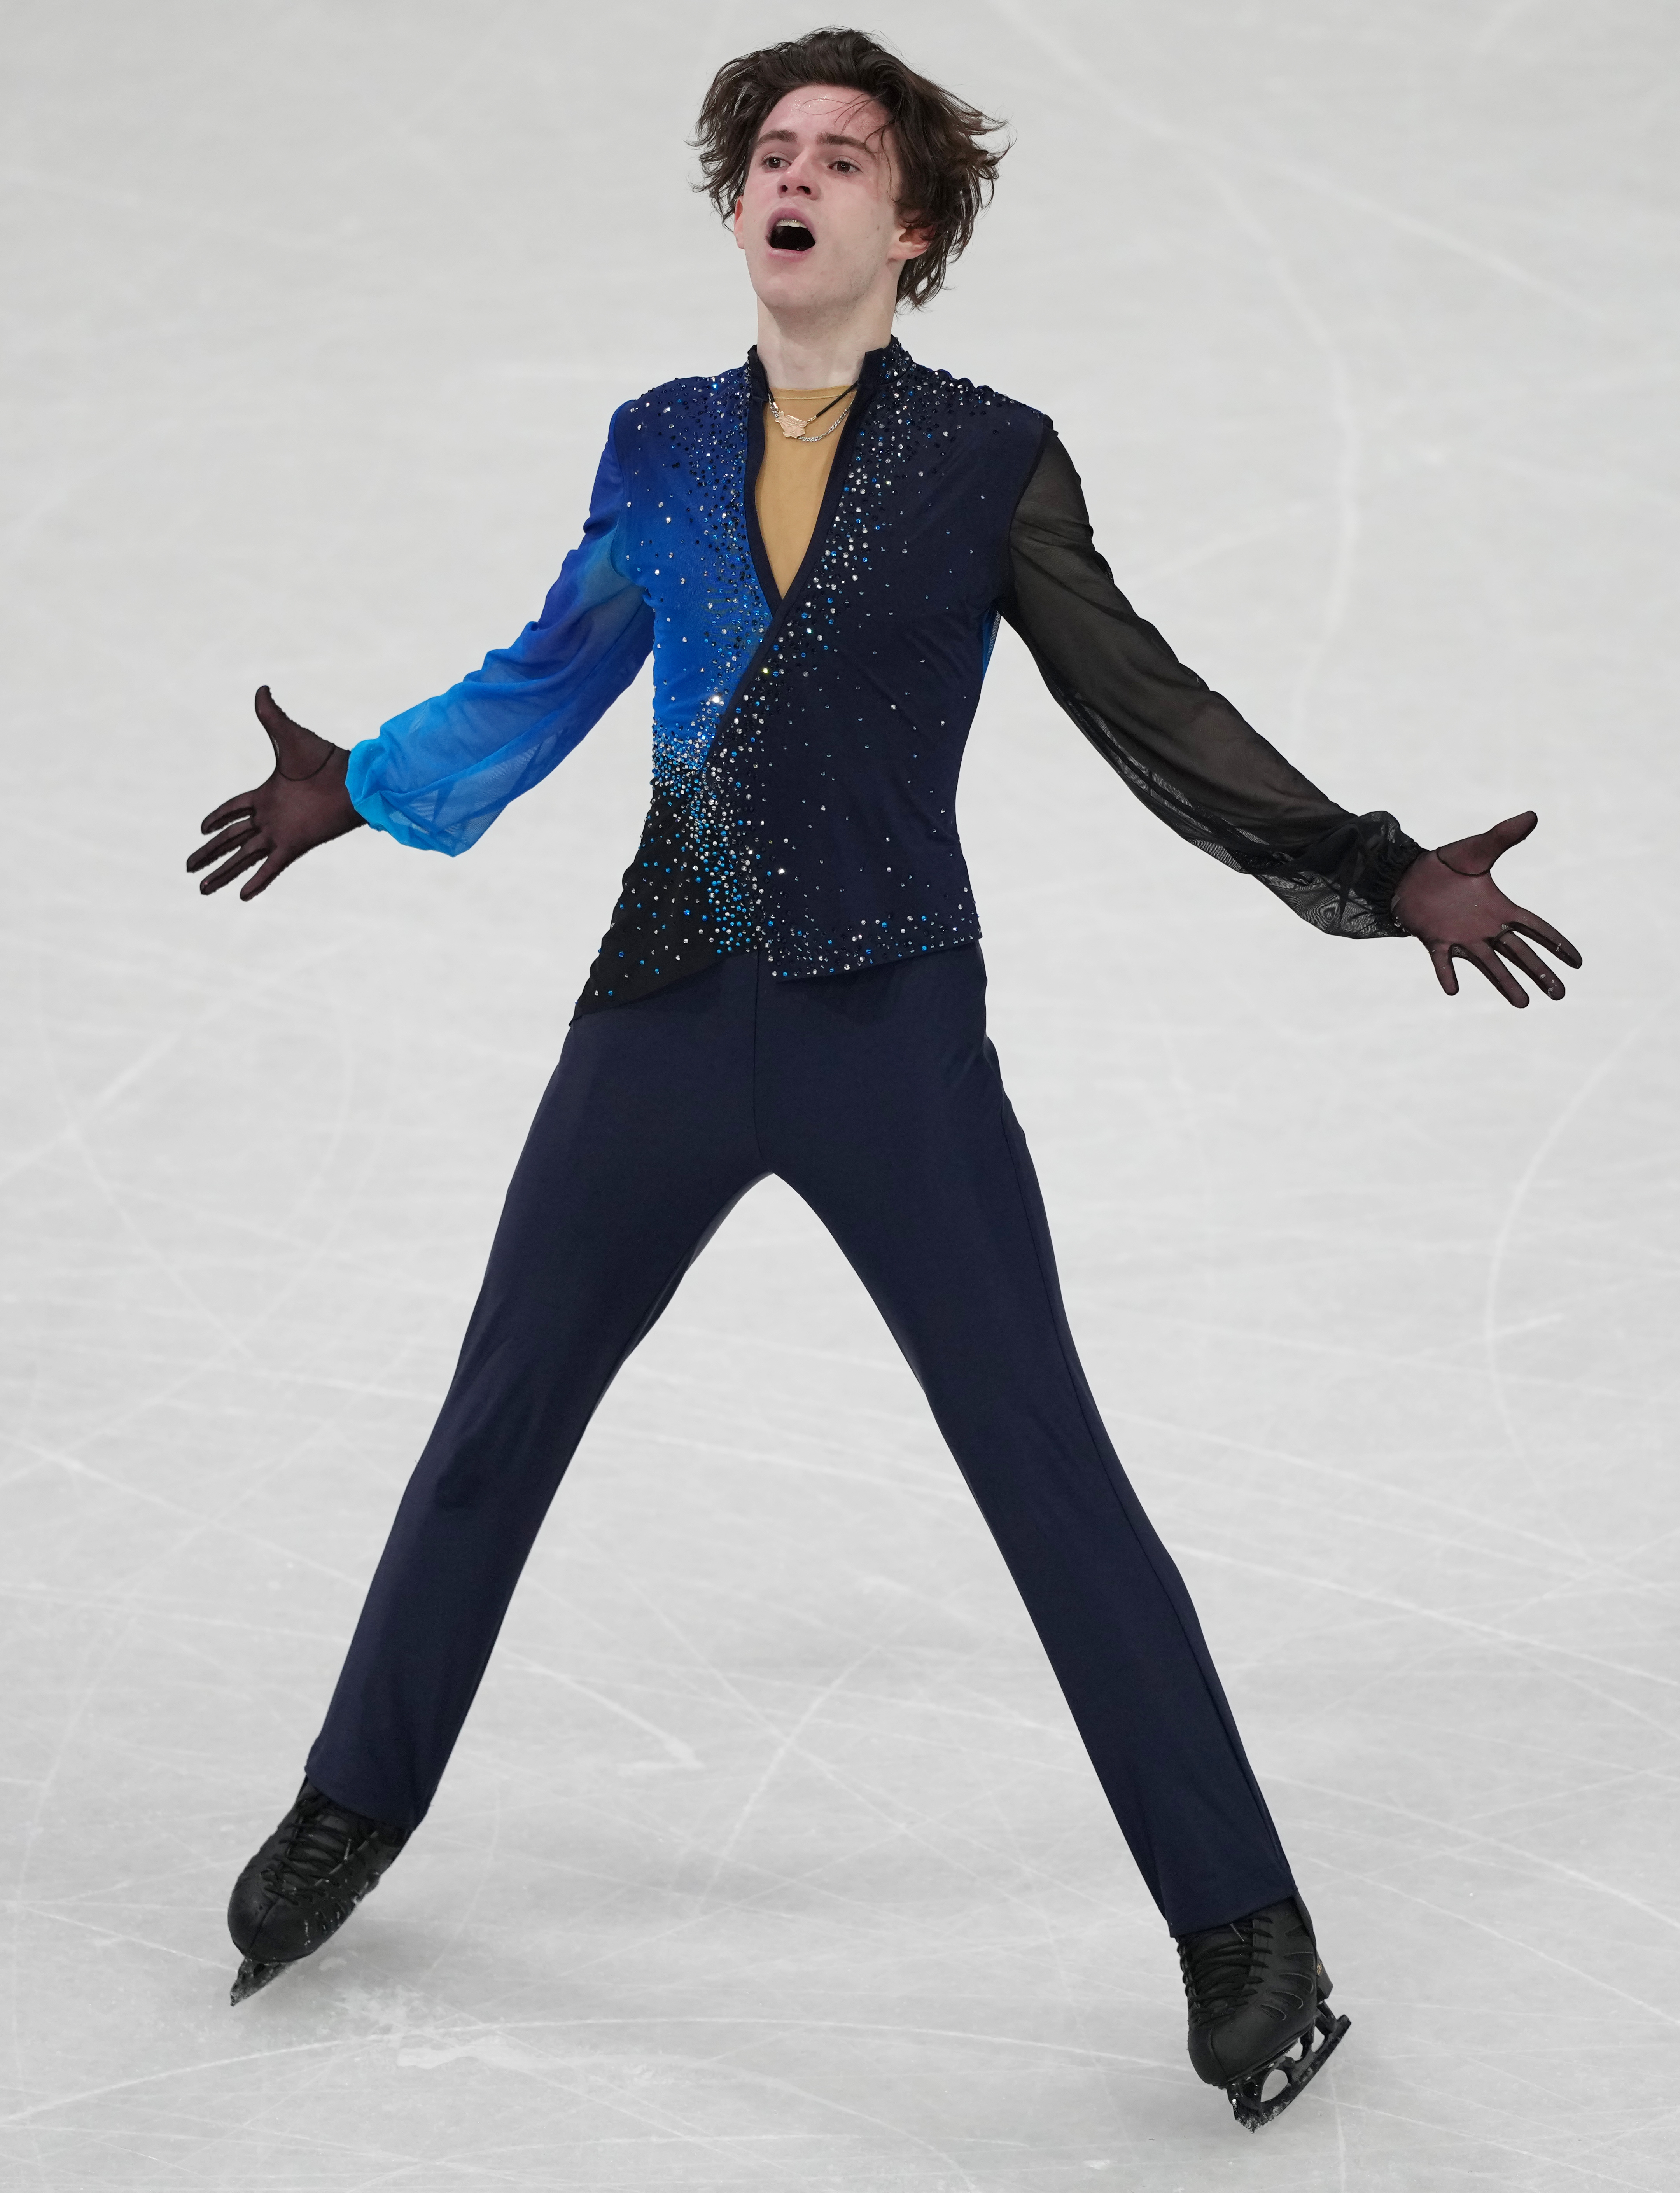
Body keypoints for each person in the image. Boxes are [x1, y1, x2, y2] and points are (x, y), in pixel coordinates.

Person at [186, 26, 1578, 2130]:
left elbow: (1146, 701)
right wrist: (366, 786)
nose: (796, 172)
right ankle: (350, 1804)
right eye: (772, 147)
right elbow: (554, 666)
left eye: (843, 154)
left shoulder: (988, 457)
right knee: (497, 1418)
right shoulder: (661, 441)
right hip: (662, 1010)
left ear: (911, 226)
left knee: (1044, 1461)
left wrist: (1378, 872)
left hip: (887, 1030)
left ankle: (1247, 1929)